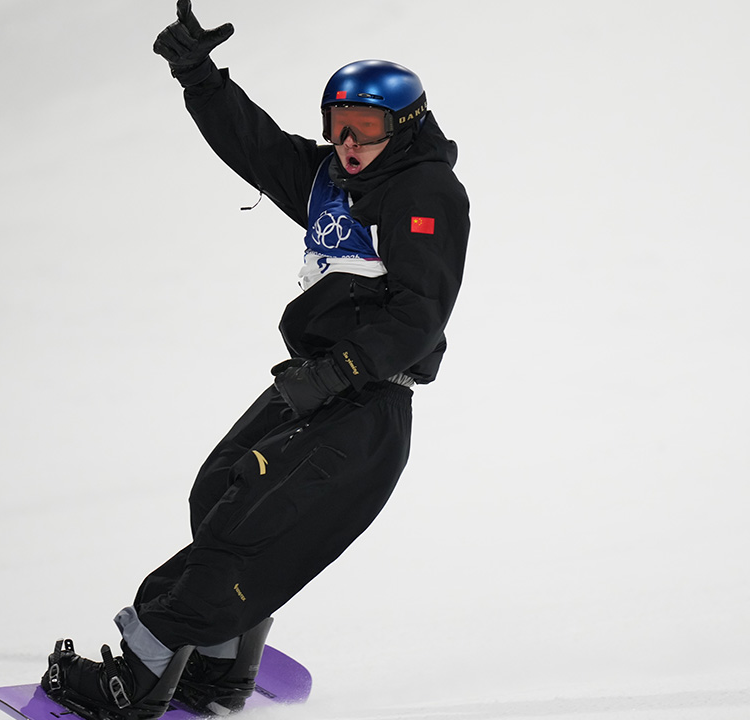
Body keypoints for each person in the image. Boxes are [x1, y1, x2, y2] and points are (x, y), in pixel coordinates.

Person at [39, 1, 470, 717]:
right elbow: (256, 146)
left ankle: (136, 678)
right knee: (218, 491)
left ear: (406, 125)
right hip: (319, 385)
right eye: (338, 123)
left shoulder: (425, 191)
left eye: (366, 127)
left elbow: (421, 312)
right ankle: (219, 665)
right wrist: (199, 77)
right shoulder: (331, 177)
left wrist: (339, 372)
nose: (348, 141)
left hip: (367, 399)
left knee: (245, 529)